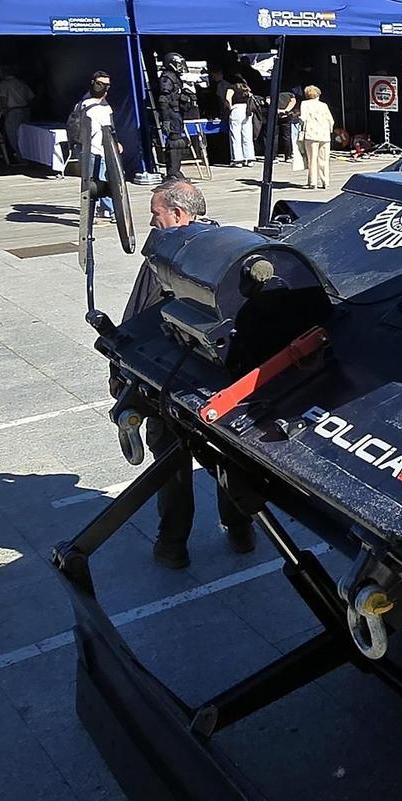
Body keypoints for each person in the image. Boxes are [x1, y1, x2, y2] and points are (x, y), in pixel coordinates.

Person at [124, 177, 257, 568]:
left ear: (178, 214)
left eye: (156, 215)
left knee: (170, 462)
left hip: (172, 379)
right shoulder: (232, 247)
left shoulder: (166, 258)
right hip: (223, 383)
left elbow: (137, 318)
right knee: (228, 460)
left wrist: (123, 377)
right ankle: (240, 531)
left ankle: (172, 544)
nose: (153, 224)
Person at [68, 70, 118, 222]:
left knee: (93, 180)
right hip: (93, 149)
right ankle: (101, 211)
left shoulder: (83, 103)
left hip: (88, 148)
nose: (105, 89)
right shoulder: (101, 108)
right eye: (103, 85)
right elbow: (110, 130)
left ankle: (101, 210)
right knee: (95, 182)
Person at [151, 51, 197, 184]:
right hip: (171, 113)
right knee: (174, 142)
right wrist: (165, 119)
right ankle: (172, 172)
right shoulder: (167, 78)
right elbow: (163, 99)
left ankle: (176, 170)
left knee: (178, 142)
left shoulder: (175, 77)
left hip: (177, 113)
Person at [297, 84, 334, 189]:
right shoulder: (324, 105)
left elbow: (303, 118)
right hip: (325, 135)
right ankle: (325, 181)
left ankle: (313, 182)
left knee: (312, 159)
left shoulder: (304, 104)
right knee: (324, 160)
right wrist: (328, 130)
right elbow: (331, 120)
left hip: (311, 134)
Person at [0, 68, 34, 166]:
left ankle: (21, 158)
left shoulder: (4, 84)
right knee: (25, 135)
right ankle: (29, 156)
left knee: (14, 136)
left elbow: (3, 99)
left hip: (13, 111)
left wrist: (4, 110)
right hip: (25, 110)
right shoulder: (21, 83)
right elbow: (31, 97)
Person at [225, 82, 255, 167]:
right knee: (247, 135)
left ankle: (238, 159)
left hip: (236, 109)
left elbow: (228, 98)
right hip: (247, 110)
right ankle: (249, 158)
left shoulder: (232, 87)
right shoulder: (246, 88)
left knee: (235, 135)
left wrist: (230, 107)